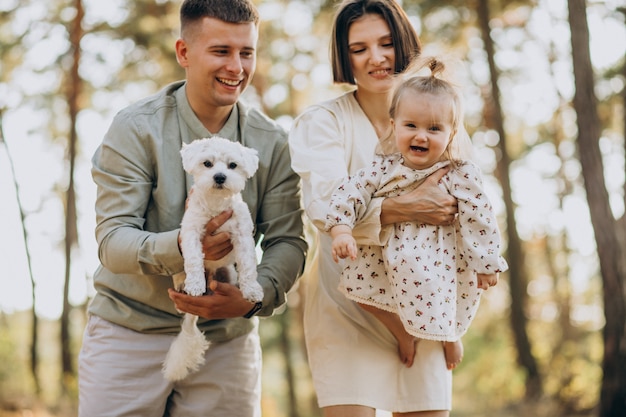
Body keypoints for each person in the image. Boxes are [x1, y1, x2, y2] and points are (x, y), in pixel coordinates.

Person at [78, 0, 307, 416]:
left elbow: (289, 241)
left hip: (228, 341)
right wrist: (186, 247)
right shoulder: (135, 128)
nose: (236, 67)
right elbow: (112, 241)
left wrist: (252, 300)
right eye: (221, 51)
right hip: (129, 330)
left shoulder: (272, 142)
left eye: (247, 52)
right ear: (184, 52)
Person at [289, 1, 460, 416]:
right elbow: (327, 209)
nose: (377, 58)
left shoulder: (440, 116)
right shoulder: (324, 122)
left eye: (386, 43)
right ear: (344, 57)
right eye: (359, 48)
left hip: (425, 304)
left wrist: (450, 319)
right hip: (348, 309)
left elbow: (457, 210)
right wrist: (406, 208)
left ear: (405, 44)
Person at [326, 56, 508, 373]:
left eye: (434, 129)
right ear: (394, 125)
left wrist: (486, 260)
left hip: (437, 258)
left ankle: (450, 334)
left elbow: (480, 216)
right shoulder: (383, 166)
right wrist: (341, 228)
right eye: (411, 126)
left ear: (451, 135)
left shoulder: (459, 172)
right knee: (357, 292)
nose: (421, 136)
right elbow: (350, 191)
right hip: (384, 257)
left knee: (436, 293)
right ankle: (401, 330)